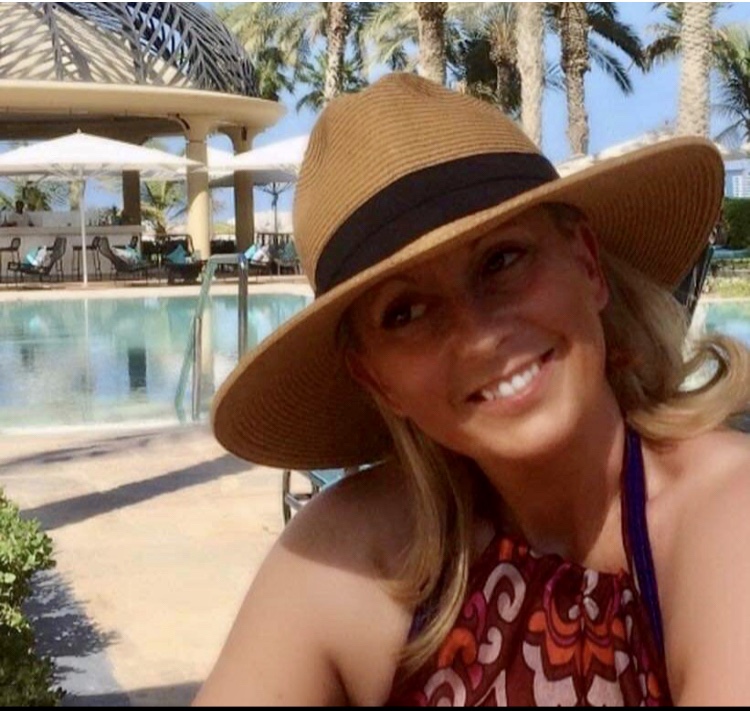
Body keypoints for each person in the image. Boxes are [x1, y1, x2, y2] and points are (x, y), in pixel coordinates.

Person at [194, 74, 750, 707]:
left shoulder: (725, 512)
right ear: (376, 378)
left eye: (501, 260)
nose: (480, 337)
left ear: (587, 264)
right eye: (405, 312)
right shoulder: (357, 553)